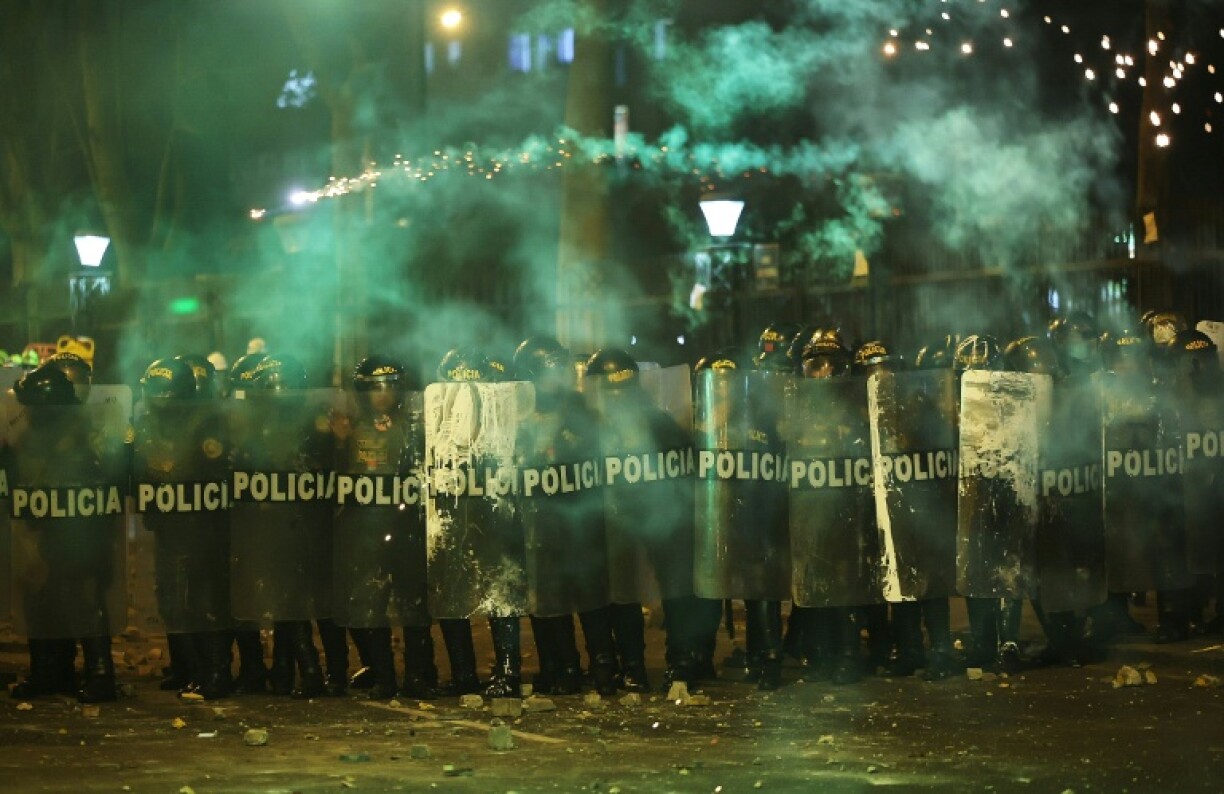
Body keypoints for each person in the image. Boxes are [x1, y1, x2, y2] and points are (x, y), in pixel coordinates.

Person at [515, 336, 619, 695]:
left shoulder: (581, 411)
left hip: (580, 520)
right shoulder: (518, 416)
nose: (556, 379)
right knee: (547, 598)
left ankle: (604, 666)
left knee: (590, 596)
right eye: (549, 373)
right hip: (540, 523)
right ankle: (563, 667)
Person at [333, 355, 439, 699]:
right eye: (375, 388)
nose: (383, 395)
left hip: (406, 523)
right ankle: (382, 674)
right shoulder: (347, 425)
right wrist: (335, 441)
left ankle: (420, 674)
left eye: (391, 387)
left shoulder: (414, 423)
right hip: (364, 527)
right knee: (370, 600)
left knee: (412, 601)